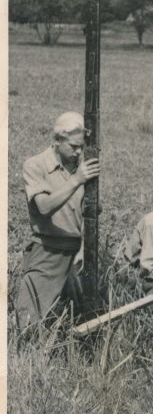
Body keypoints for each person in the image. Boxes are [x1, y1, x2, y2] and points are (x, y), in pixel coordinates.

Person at [15, 112, 100, 328]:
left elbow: (87, 211)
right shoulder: (35, 165)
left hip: (77, 252)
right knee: (27, 323)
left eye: (82, 146)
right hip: (47, 250)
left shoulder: (82, 166)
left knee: (84, 320)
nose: (79, 152)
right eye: (73, 146)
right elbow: (44, 207)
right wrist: (77, 180)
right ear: (57, 140)